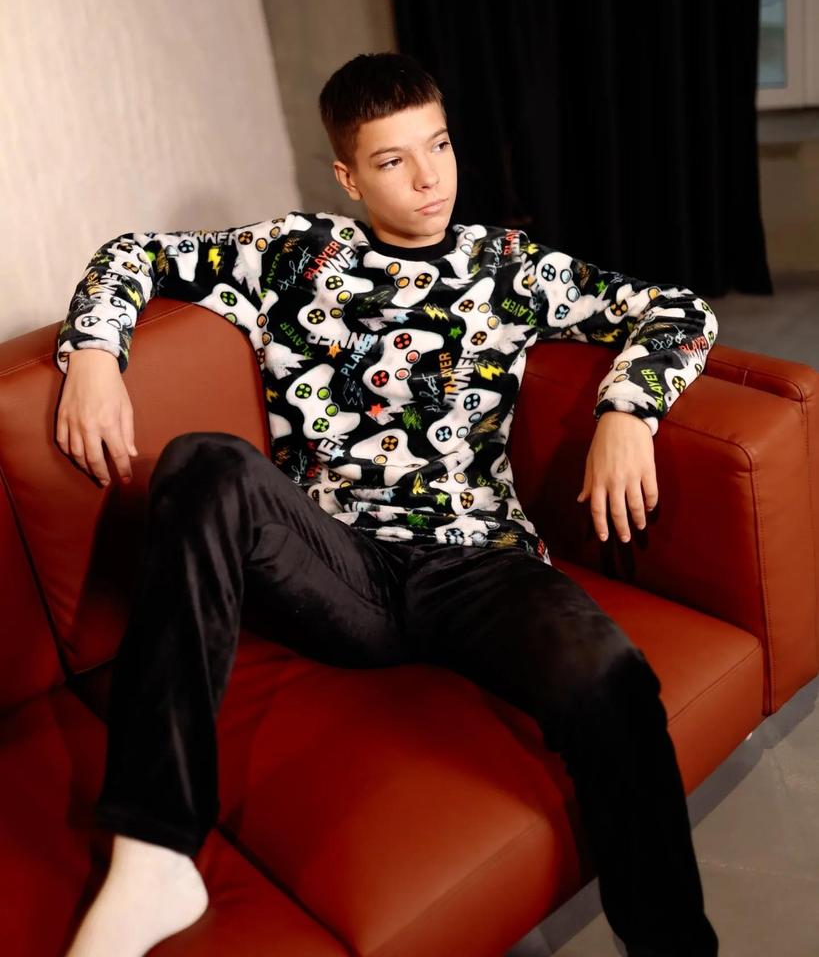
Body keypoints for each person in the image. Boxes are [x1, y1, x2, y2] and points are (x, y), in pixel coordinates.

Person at [54, 52, 720, 957]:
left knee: (613, 683)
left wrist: (627, 411)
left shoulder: (507, 264)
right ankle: (154, 853)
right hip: (338, 569)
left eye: (438, 146)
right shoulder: (294, 254)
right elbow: (132, 254)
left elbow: (676, 308)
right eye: (392, 160)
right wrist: (95, 354)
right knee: (203, 461)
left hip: (479, 563)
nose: (428, 177)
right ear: (348, 177)